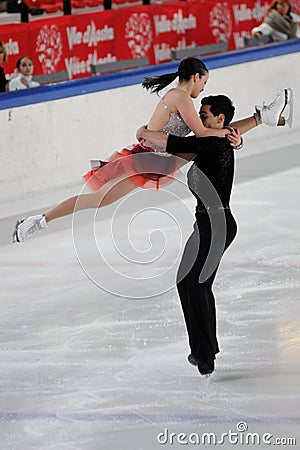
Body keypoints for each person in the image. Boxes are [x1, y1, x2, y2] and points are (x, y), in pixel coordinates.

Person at [12, 56, 292, 243]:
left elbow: (203, 136)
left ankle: (264, 117)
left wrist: (232, 137)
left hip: (161, 159)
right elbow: (203, 132)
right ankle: (39, 220)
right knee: (97, 200)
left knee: (212, 143)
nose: (204, 87)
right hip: (147, 159)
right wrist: (230, 135)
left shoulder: (179, 96)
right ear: (196, 77)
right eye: (204, 82)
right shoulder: (181, 97)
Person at [135, 95, 252, 376]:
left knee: (197, 284)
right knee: (185, 281)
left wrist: (142, 132)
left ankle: (206, 354)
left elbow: (164, 142)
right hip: (205, 223)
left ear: (220, 119)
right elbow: (172, 152)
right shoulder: (212, 140)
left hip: (218, 223)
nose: (198, 120)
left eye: (204, 115)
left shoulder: (211, 142)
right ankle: (201, 350)